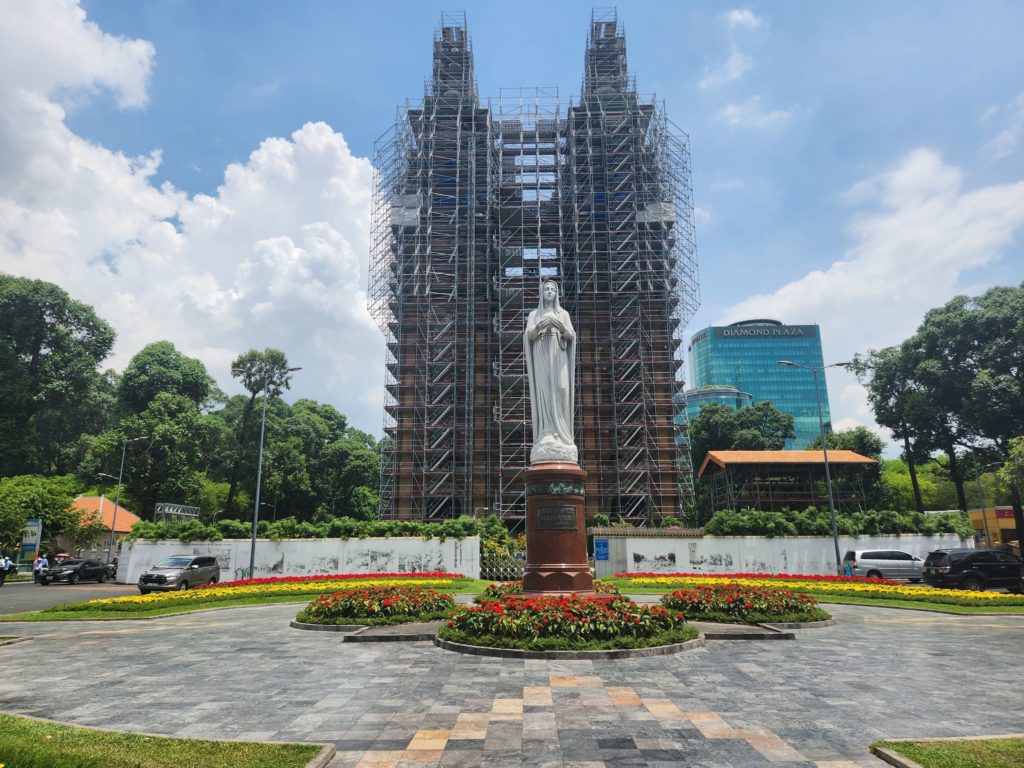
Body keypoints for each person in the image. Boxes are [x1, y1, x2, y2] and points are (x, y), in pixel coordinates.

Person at [524, 280, 577, 464]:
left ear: (556, 294)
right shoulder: (534, 314)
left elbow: (571, 336)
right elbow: (529, 336)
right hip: (541, 354)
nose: (549, 292)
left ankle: (562, 434)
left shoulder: (563, 314)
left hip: (558, 355)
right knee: (545, 392)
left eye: (552, 289)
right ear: (541, 293)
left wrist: (560, 327)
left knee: (562, 389)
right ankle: (547, 431)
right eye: (546, 289)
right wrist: (540, 326)